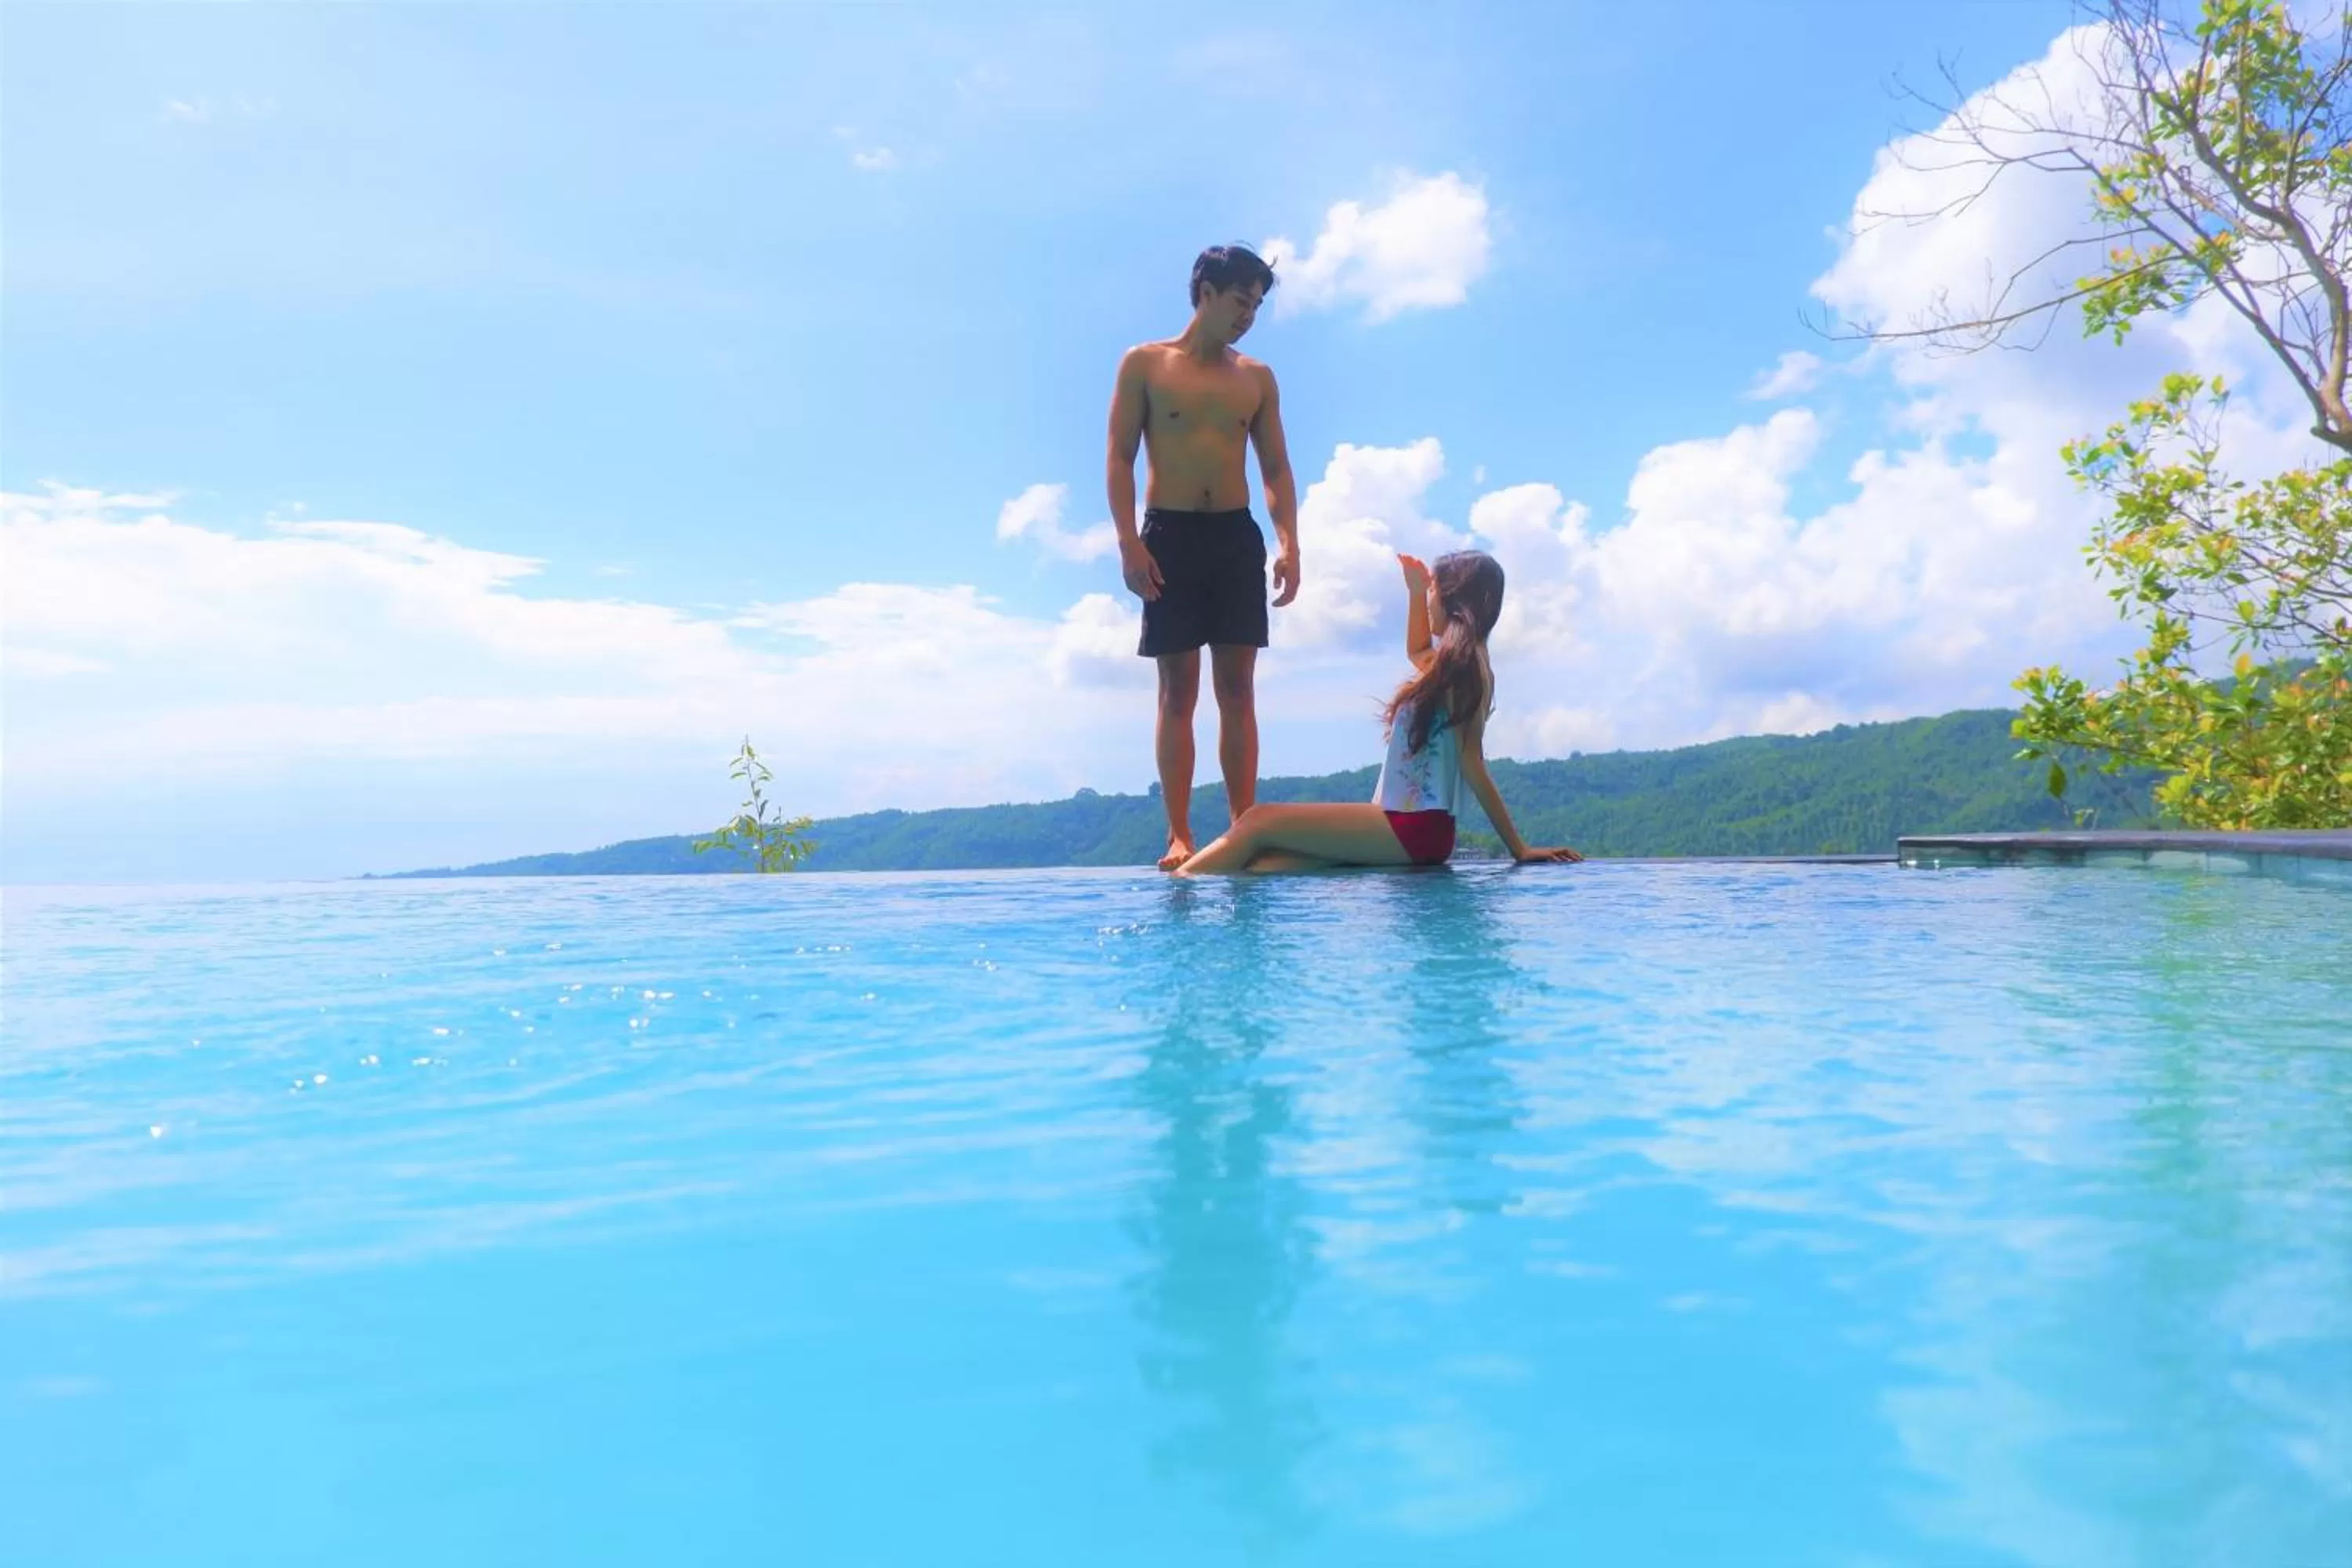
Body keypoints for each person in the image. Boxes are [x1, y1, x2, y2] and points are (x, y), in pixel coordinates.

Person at [1176, 550, 1583, 875]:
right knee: (1265, 864)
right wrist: (1413, 591)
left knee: (1258, 821)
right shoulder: (1458, 665)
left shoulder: (1468, 670)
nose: (1428, 600)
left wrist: (1519, 848)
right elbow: (1417, 651)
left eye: (1432, 593)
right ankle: (1196, 902)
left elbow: (1473, 763)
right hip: (1406, 827)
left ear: (1455, 600)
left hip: (1415, 826)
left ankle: (1178, 897)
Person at [1106, 244, 1301, 872]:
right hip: (1168, 535)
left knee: (1238, 688)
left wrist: (1289, 540)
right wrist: (1128, 542)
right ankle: (1179, 833)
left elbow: (1274, 466)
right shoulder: (1144, 363)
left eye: (1257, 306)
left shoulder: (1257, 378)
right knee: (1176, 691)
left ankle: (1242, 826)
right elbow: (1119, 456)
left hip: (1234, 536)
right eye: (1240, 301)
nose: (1248, 316)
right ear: (1206, 293)